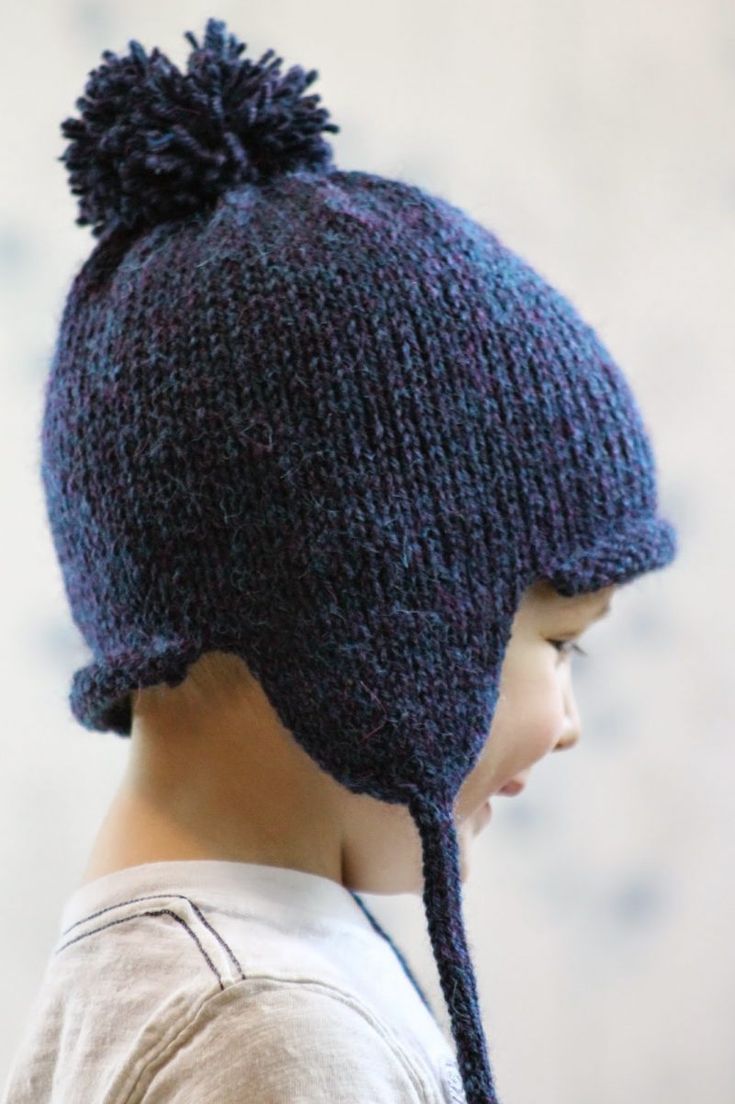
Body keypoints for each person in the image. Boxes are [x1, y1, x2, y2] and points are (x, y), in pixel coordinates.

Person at [1, 17, 678, 1104]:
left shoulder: (196, 971)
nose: (568, 720)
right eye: (557, 642)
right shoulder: (271, 1037)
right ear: (375, 610)